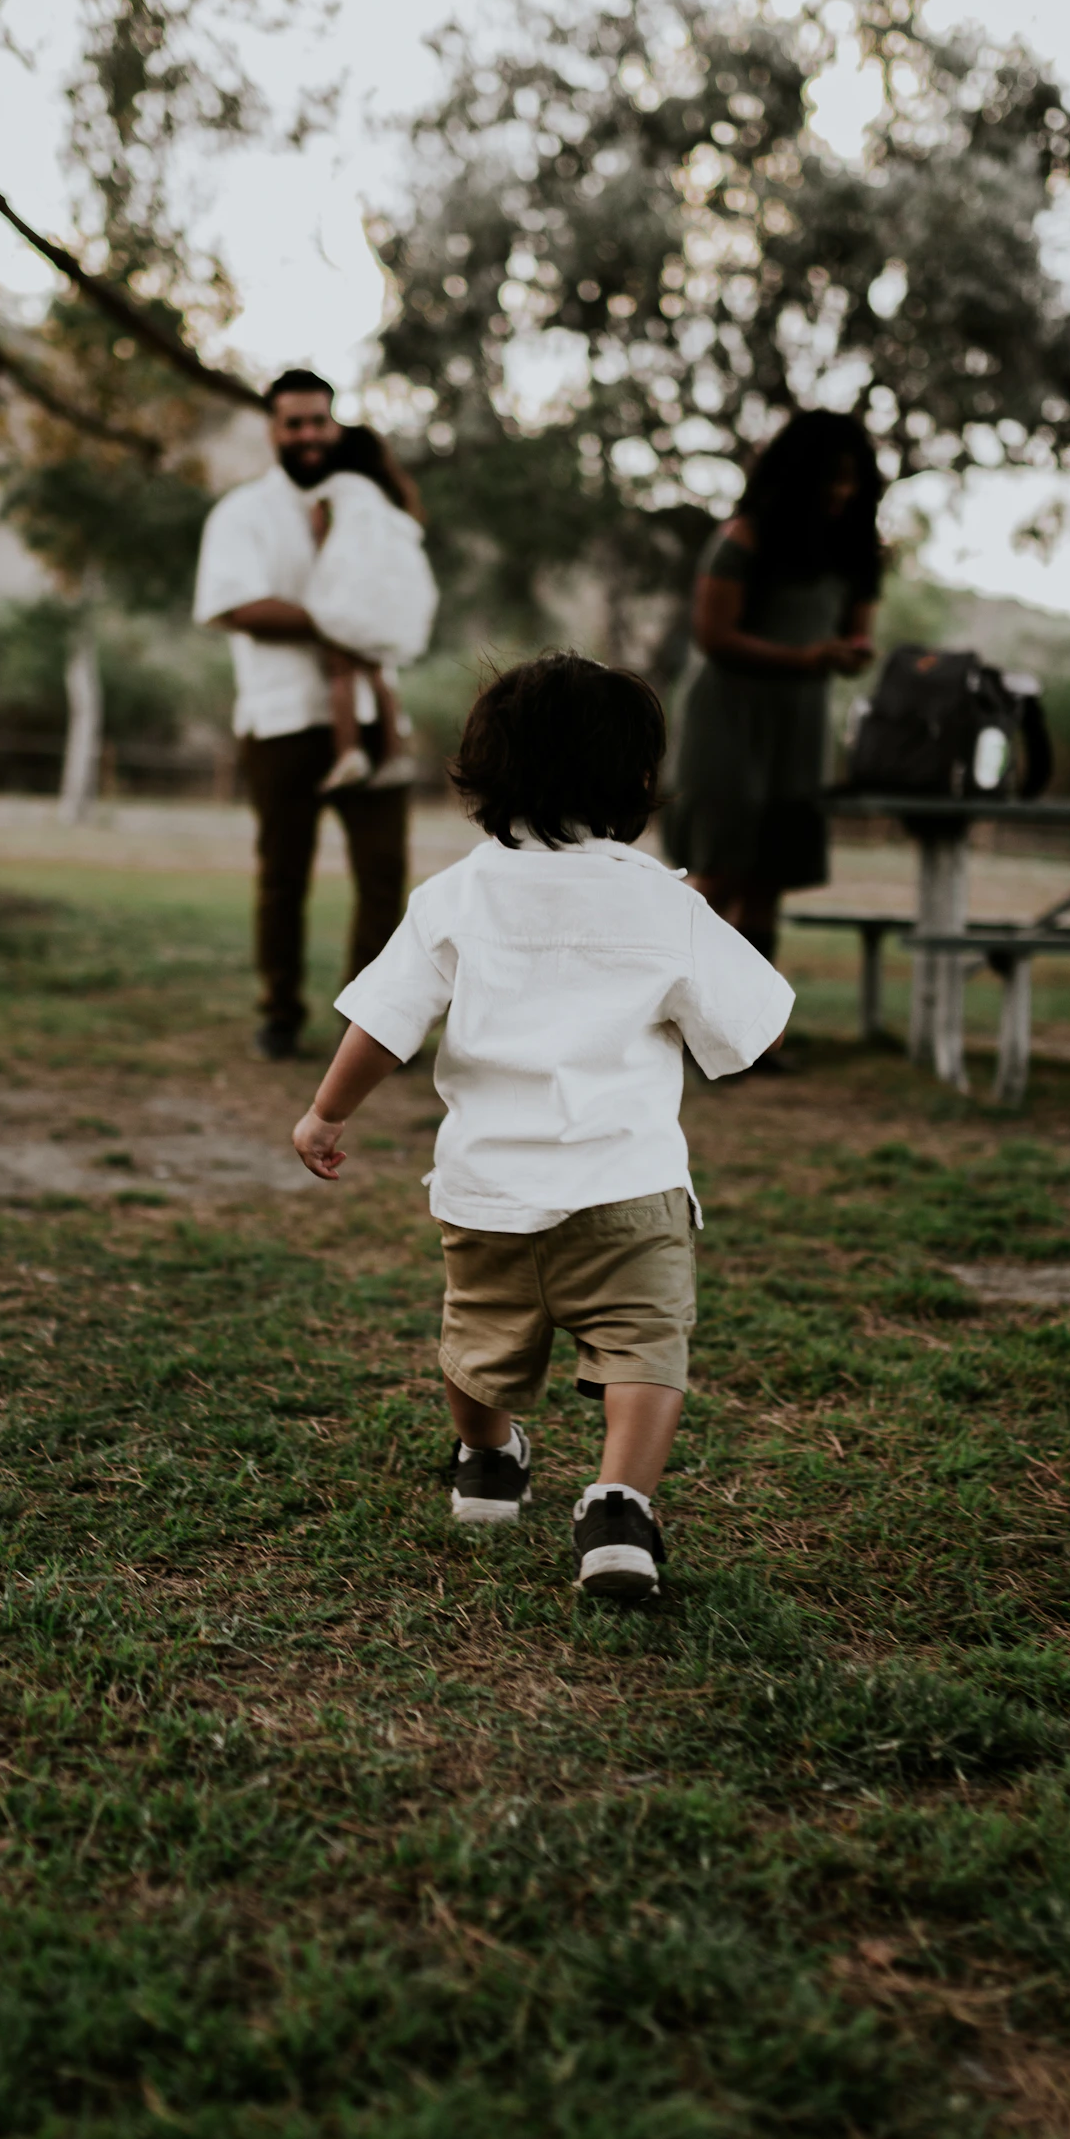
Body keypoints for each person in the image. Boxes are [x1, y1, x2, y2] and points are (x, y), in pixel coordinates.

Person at [289, 653, 793, 1606]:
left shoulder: (453, 897)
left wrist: (325, 1114)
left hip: (488, 1193)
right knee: (646, 1349)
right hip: (629, 1192)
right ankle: (618, 1507)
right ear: (639, 783)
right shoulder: (662, 902)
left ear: (484, 774)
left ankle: (487, 1462)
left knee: (478, 1345)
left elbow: (383, 1025)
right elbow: (752, 1031)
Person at [193, 370, 427, 1062]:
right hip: (282, 719)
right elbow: (239, 608)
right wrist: (343, 626)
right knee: (283, 874)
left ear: (335, 424)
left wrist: (372, 627)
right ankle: (280, 1014)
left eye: (318, 421)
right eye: (293, 423)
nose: (307, 435)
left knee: (385, 875)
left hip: (372, 712)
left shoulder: (368, 505)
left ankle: (370, 1026)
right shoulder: (242, 515)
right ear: (272, 429)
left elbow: (398, 593)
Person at [665, 409, 883, 1000]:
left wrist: (851, 653)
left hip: (801, 723)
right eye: (830, 478)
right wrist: (808, 658)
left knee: (767, 879)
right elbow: (714, 636)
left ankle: (748, 1034)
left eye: (852, 479)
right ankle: (655, 1012)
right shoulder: (743, 539)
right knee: (718, 870)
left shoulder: (858, 553)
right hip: (730, 720)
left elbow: (858, 635)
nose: (842, 491)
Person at [306, 426, 437, 796]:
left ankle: (349, 751)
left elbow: (320, 532)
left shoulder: (334, 488)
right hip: (385, 595)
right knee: (380, 671)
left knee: (340, 669)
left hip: (350, 588)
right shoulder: (388, 495)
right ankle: (395, 753)